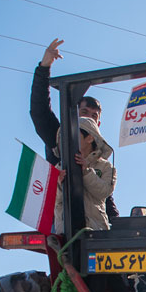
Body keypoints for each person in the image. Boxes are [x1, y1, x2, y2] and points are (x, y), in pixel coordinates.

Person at [32, 39, 118, 218]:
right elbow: (40, 112)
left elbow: (105, 198)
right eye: (84, 112)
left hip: (94, 227)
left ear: (98, 125)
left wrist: (118, 228)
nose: (88, 118)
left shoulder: (101, 159)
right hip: (65, 225)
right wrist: (44, 67)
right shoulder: (59, 140)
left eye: (94, 116)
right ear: (73, 114)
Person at [51, 117, 115, 233]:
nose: (68, 140)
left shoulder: (105, 166)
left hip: (96, 232)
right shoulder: (59, 168)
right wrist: (60, 185)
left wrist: (86, 171)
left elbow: (104, 191)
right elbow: (53, 201)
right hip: (67, 236)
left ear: (90, 138)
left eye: (73, 135)